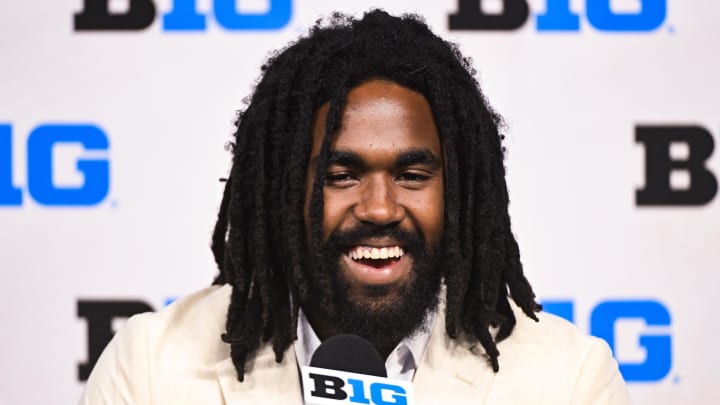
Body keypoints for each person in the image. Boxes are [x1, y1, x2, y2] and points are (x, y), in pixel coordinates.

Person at [81, 9, 630, 404]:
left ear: (459, 193)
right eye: (339, 176)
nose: (379, 208)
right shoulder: (151, 370)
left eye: (412, 175)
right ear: (282, 189)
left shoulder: (569, 382)